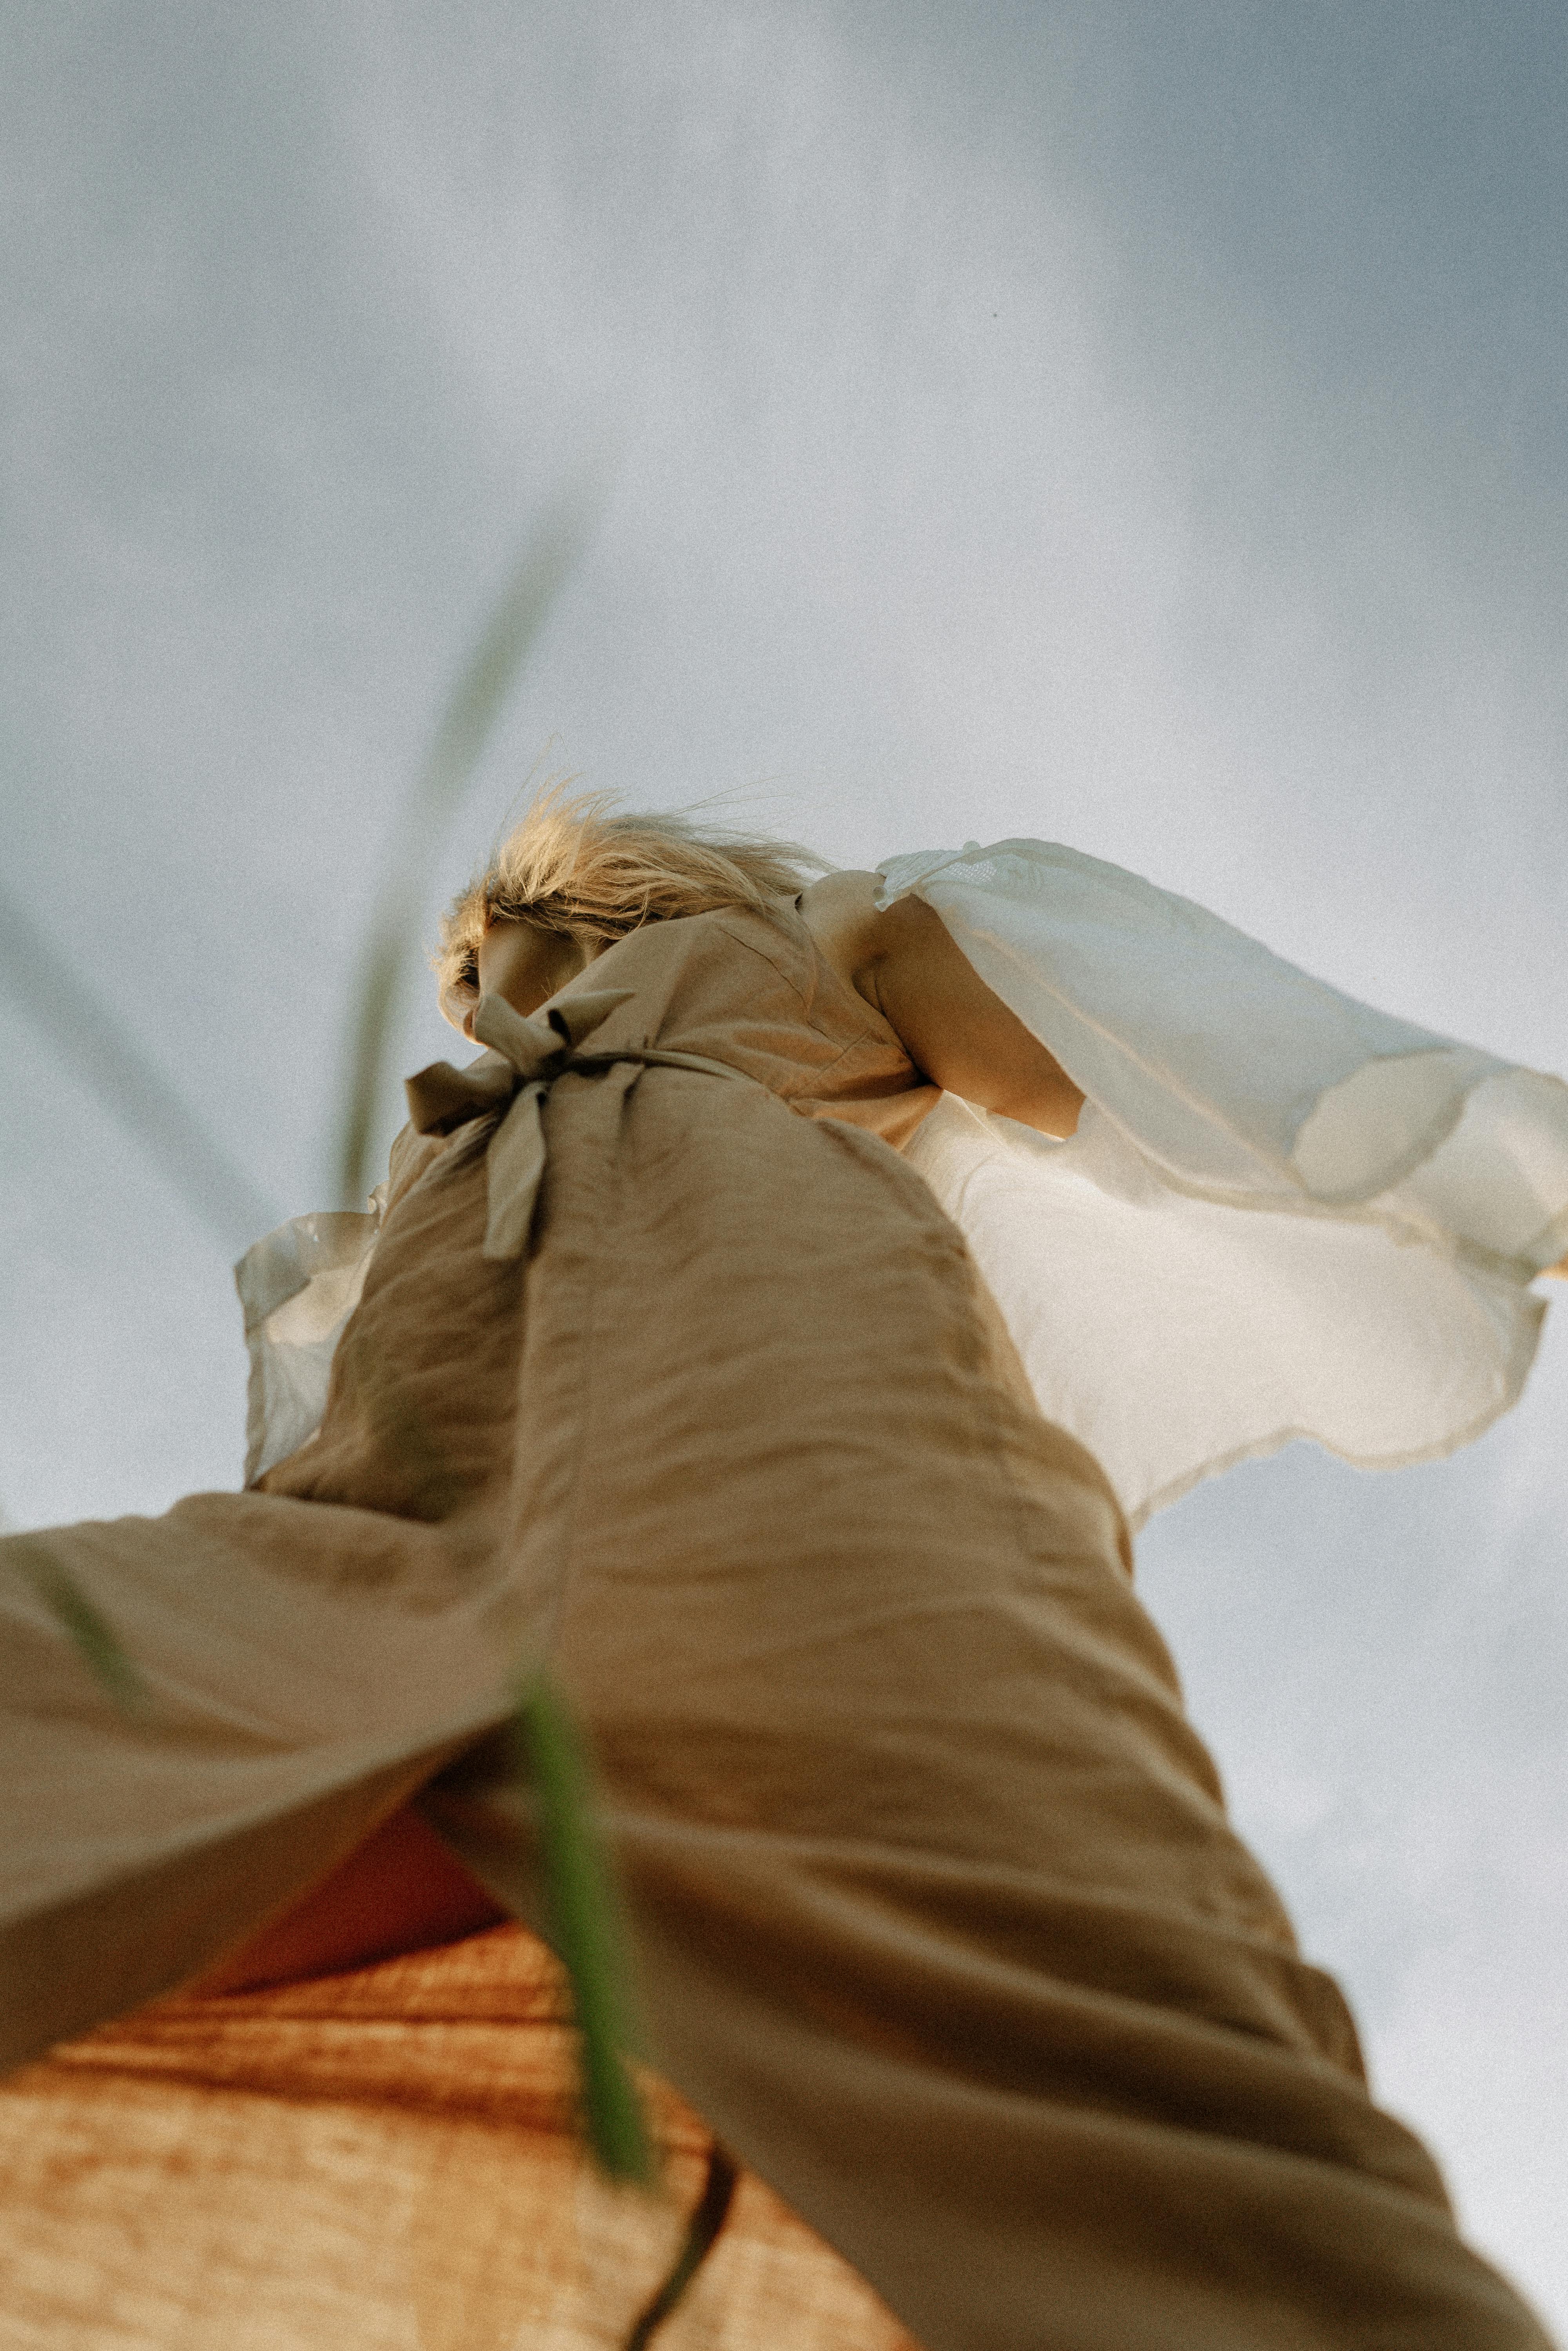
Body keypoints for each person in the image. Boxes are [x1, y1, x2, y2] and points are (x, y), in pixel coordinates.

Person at [1, 793, 1562, 2351]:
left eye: (484, 948)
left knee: (1106, 2057)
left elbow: (1154, 1075)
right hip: (381, 1543)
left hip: (813, 1469)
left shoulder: (821, 943)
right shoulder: (431, 1148)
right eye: (462, 980)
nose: (468, 990)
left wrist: (1487, 1173)